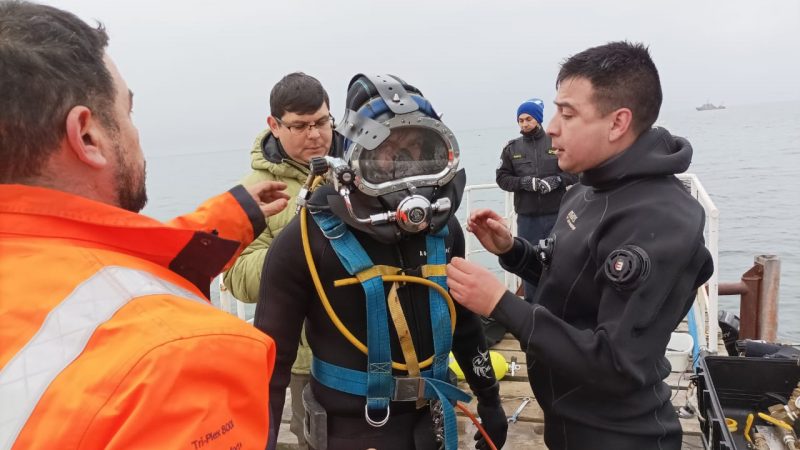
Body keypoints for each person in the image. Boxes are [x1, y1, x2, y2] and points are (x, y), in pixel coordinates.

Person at [0, 2, 290, 448]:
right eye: (127, 111)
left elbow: (84, 258)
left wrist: (234, 216)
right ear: (88, 136)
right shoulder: (175, 357)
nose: (136, 133)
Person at [446, 41, 714, 450]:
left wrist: (500, 303)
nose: (552, 126)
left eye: (568, 113)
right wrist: (512, 250)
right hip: (566, 419)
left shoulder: (662, 218)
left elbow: (615, 364)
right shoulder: (586, 188)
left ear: (617, 123)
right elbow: (571, 281)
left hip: (619, 435)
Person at [254, 74, 507, 450]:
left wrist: (490, 400)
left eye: (421, 149)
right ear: (355, 157)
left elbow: (464, 323)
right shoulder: (305, 241)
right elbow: (271, 367)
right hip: (350, 432)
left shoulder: (442, 230)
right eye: (387, 150)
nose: (405, 165)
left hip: (434, 425)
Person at [223, 72, 337, 449]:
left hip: (375, 345)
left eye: (321, 122)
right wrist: (296, 251)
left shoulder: (359, 171)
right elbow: (237, 276)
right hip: (307, 359)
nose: (315, 135)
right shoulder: (254, 191)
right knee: (316, 439)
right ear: (274, 125)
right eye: (300, 126)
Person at [496, 98, 576, 304]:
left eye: (528, 119)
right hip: (527, 218)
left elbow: (576, 172)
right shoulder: (511, 149)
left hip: (557, 215)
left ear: (538, 119)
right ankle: (532, 308)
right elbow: (502, 179)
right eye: (520, 120)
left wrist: (557, 180)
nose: (524, 124)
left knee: (559, 262)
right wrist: (524, 183)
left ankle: (560, 306)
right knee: (529, 261)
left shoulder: (556, 142)